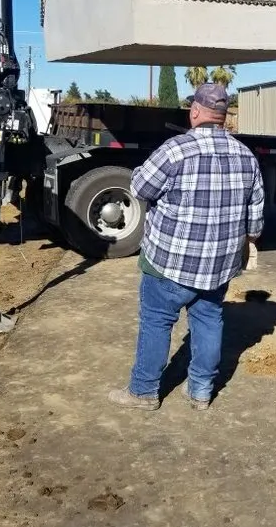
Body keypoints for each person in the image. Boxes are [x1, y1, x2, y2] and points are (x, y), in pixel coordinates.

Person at [108, 82, 264, 412]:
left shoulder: (175, 150)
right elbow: (256, 214)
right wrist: (249, 241)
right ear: (223, 116)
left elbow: (139, 187)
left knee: (156, 323)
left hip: (170, 263)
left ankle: (144, 392)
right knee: (208, 321)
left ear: (194, 111)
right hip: (219, 267)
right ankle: (201, 392)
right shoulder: (246, 155)